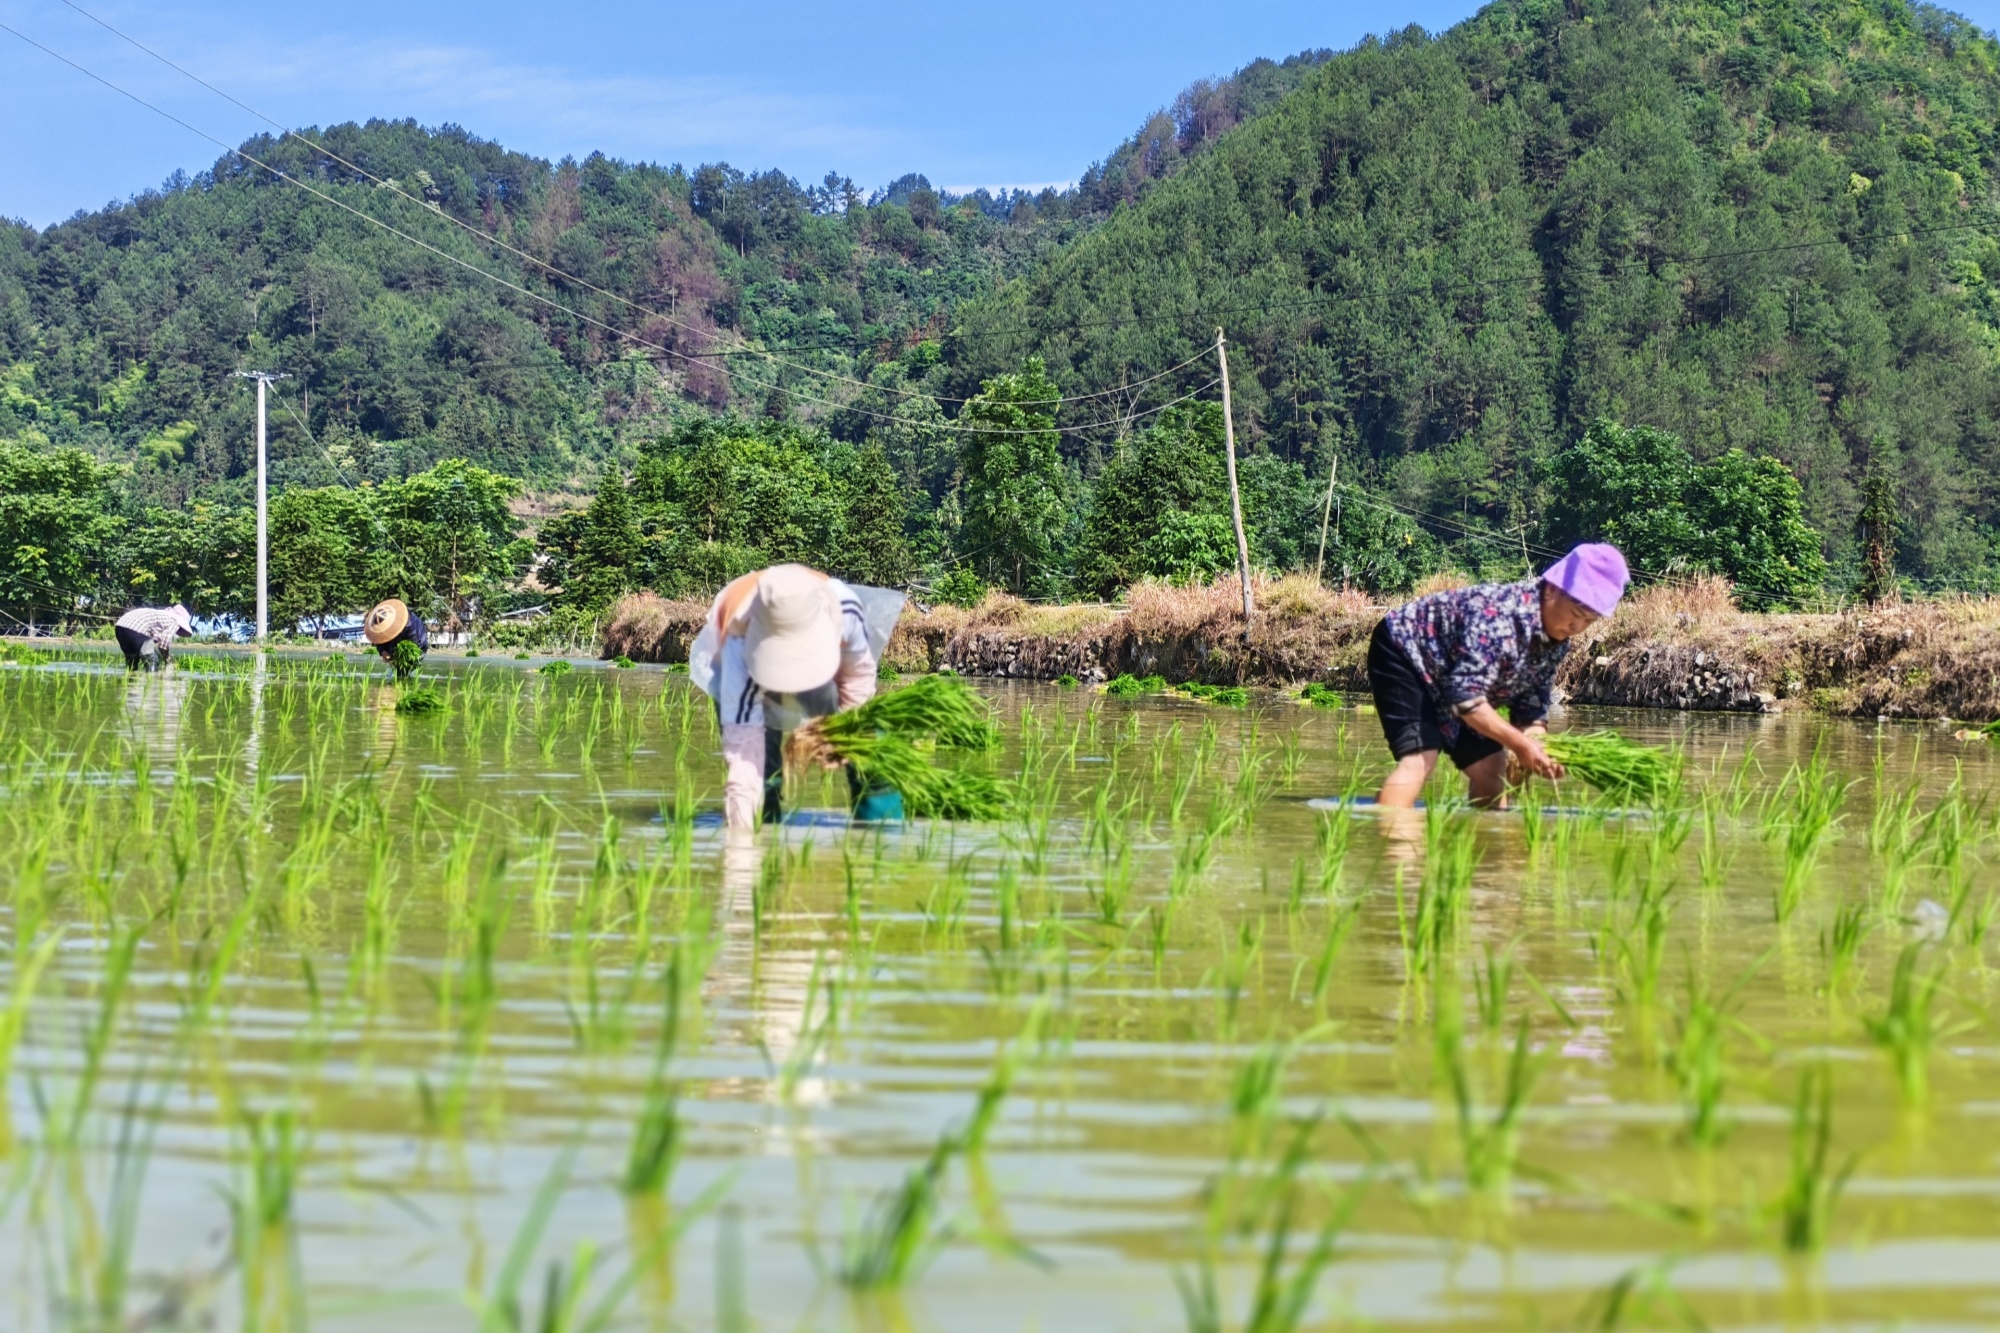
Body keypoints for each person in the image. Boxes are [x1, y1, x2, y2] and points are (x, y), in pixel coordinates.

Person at [1368, 543, 1628, 809]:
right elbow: (1465, 699)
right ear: (1551, 590)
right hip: (1405, 651)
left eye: (1589, 621)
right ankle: (1393, 845)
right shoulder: (1500, 618)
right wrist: (1523, 745)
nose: (1578, 626)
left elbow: (1530, 711)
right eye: (1576, 614)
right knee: (1421, 759)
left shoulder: (1557, 642)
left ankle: (1488, 844)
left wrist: (1539, 749)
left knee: (1495, 773)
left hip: (1451, 674)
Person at [694, 563, 898, 829]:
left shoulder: (846, 610)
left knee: (869, 746)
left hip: (819, 664)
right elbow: (744, 760)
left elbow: (856, 682)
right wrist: (738, 848)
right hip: (746, 662)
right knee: (760, 771)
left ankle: (885, 836)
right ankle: (764, 831)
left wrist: (844, 735)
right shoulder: (738, 645)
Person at [114, 603, 192, 671]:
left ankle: (130, 683)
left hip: (120, 627)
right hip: (138, 629)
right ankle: (152, 683)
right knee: (152, 660)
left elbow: (153, 639)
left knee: (132, 661)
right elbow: (164, 643)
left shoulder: (160, 616)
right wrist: (168, 659)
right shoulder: (174, 621)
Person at [362, 598, 428, 671]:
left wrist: (398, 658)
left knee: (406, 670)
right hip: (395, 641)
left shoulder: (410, 627)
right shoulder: (383, 628)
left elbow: (414, 646)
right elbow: (379, 639)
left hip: (418, 645)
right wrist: (383, 651)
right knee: (392, 672)